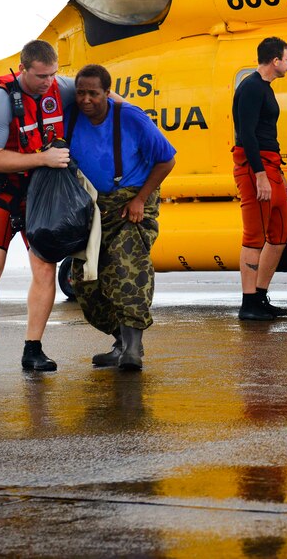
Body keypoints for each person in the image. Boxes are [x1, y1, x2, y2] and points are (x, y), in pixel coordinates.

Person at [0, 40, 76, 375]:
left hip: (39, 196)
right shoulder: (0, 99)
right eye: (41, 76)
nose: (47, 82)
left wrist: (129, 110)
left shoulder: (61, 87)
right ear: (24, 69)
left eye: (52, 75)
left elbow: (97, 90)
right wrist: (43, 158)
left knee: (44, 270)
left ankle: (33, 350)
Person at [66, 65, 176, 371]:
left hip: (131, 202)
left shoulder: (130, 117)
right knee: (85, 285)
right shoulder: (71, 118)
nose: (86, 99)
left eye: (94, 93)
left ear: (107, 93)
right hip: (91, 207)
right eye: (81, 93)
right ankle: (121, 341)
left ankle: (131, 350)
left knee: (128, 267)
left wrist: (141, 199)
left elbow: (167, 160)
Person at [232, 37, 287, 321]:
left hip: (271, 165)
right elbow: (247, 134)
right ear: (275, 61)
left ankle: (260, 295)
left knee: (280, 235)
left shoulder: (265, 88)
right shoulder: (251, 87)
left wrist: (278, 175)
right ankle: (248, 303)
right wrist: (260, 176)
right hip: (254, 166)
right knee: (255, 236)